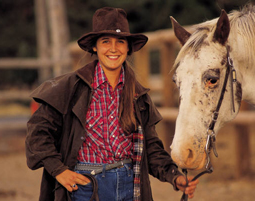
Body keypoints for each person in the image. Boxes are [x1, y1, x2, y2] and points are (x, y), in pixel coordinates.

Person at [25, 7, 199, 201]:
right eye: (106, 42)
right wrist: (58, 170)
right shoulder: (70, 88)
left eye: (120, 42)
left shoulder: (138, 95)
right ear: (95, 47)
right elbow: (37, 132)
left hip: (128, 185)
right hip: (84, 187)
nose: (113, 49)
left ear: (128, 48)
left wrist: (174, 177)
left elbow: (151, 147)